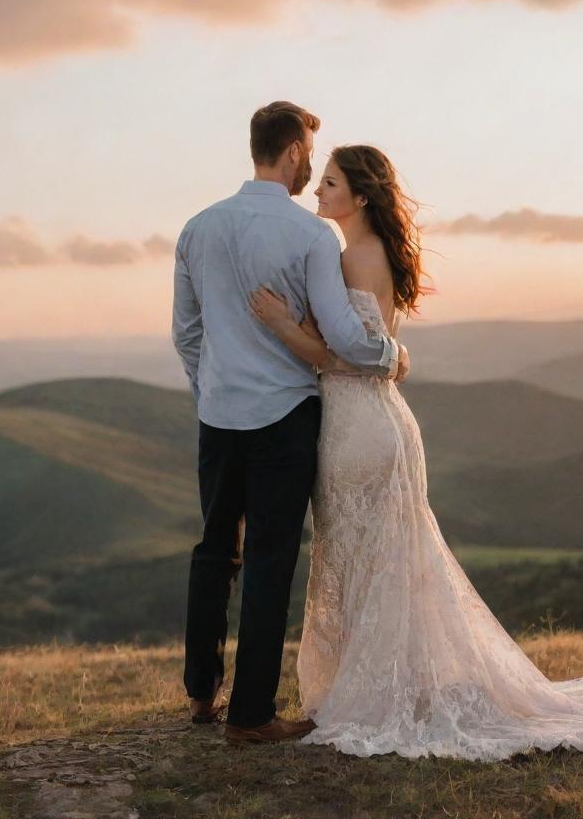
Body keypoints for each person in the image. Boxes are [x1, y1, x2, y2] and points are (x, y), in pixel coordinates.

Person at [248, 144, 583, 760]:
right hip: (386, 424)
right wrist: (391, 357)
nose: (318, 192)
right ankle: (385, 686)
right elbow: (379, 348)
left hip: (355, 427)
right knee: (383, 563)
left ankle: (372, 696)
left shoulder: (347, 255)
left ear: (360, 196)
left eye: (329, 184)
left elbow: (341, 353)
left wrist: (281, 325)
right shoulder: (377, 252)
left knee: (354, 559)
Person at [171, 102, 411, 745]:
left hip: (218, 417)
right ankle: (249, 716)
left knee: (214, 549)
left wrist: (213, 391)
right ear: (297, 152)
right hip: (284, 418)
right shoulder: (309, 237)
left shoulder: (197, 227)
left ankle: (200, 693)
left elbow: (186, 334)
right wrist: (392, 354)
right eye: (312, 154)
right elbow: (346, 338)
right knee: (271, 560)